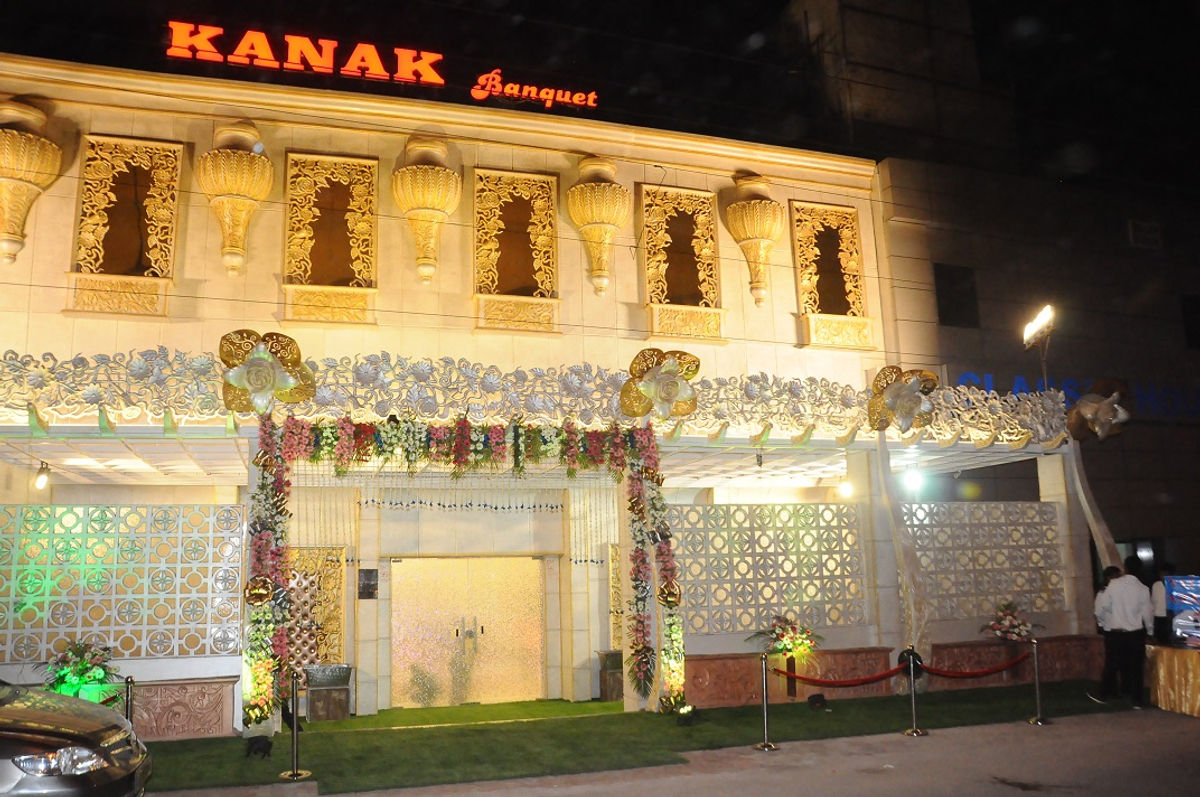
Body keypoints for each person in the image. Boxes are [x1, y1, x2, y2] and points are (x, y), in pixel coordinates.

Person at [1090, 556, 1154, 707]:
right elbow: (1147, 613)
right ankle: (1136, 700)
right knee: (1136, 667)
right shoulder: (1143, 588)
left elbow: (1104, 606)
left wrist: (1111, 616)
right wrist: (1150, 631)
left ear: (1125, 568)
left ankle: (1104, 694)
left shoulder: (1114, 585)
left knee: (1112, 664)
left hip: (1116, 632)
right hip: (1136, 633)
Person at [1092, 565, 1123, 701]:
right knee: (1111, 663)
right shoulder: (1103, 593)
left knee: (1118, 662)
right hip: (1110, 630)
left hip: (1121, 629)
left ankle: (1116, 691)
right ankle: (1106, 692)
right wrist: (1103, 626)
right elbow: (1099, 613)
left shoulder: (1120, 592)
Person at [1151, 562, 1175, 644]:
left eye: (1165, 574)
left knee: (1170, 640)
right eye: (1161, 574)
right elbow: (1153, 602)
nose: (1163, 576)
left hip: (1171, 616)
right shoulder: (1156, 585)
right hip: (1159, 617)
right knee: (1161, 640)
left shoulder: (1174, 585)